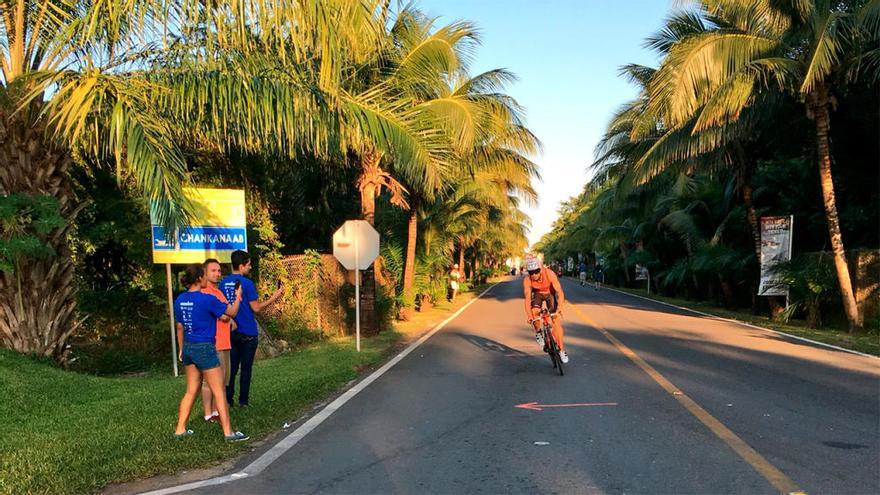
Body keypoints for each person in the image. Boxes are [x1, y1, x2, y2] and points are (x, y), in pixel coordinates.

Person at [173, 263, 249, 442]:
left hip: (189, 347)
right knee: (219, 390)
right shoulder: (206, 298)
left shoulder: (179, 300)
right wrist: (237, 298)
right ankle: (228, 433)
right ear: (200, 278)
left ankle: (180, 429)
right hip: (205, 348)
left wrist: (181, 349)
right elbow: (231, 312)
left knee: (191, 390)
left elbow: (179, 326)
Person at [220, 250, 284, 408]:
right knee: (246, 368)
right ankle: (243, 401)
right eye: (248, 265)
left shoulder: (222, 283)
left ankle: (228, 400)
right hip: (247, 331)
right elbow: (256, 308)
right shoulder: (247, 284)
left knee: (231, 368)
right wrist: (274, 297)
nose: (250, 268)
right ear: (241, 266)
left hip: (230, 331)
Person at [200, 258, 235, 423]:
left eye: (219, 271)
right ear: (204, 272)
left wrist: (229, 318)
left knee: (222, 382)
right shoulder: (204, 292)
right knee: (210, 381)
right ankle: (208, 413)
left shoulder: (218, 292)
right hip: (213, 343)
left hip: (225, 342)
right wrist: (228, 316)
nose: (217, 274)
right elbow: (223, 315)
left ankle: (216, 410)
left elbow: (229, 315)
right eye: (213, 270)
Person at [522, 254, 568, 364]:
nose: (534, 275)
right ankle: (538, 332)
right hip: (537, 294)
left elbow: (560, 293)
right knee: (534, 314)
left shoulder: (550, 274)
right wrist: (529, 317)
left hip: (550, 294)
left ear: (541, 269)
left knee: (556, 321)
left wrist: (559, 308)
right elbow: (527, 300)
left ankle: (561, 350)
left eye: (536, 271)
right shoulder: (527, 280)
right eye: (531, 272)